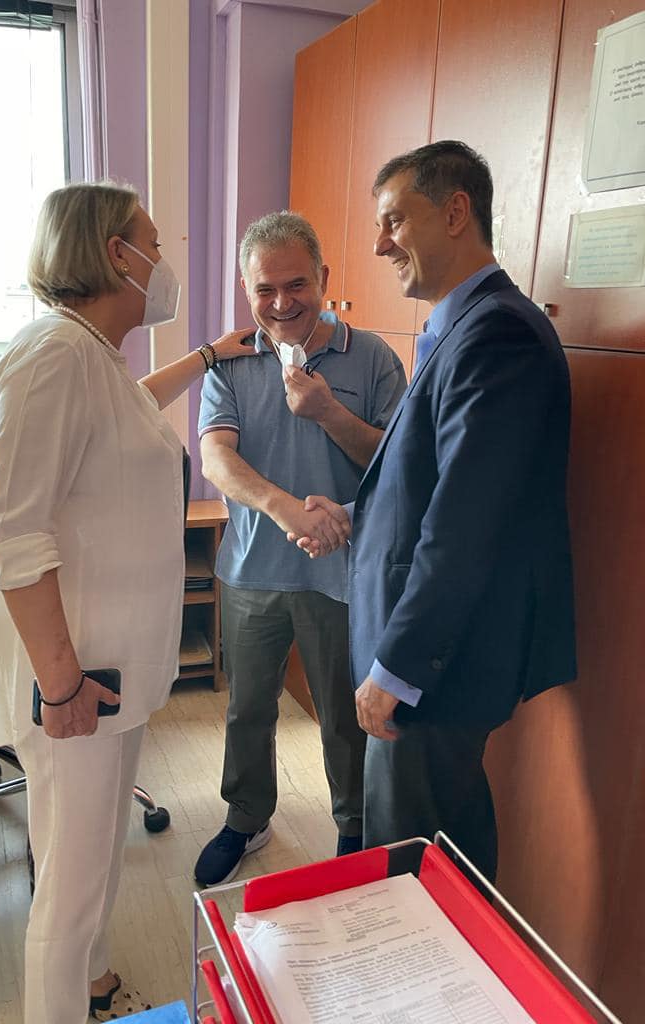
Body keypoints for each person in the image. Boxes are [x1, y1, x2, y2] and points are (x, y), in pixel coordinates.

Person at [0, 181, 255, 1024]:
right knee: (71, 884)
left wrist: (208, 357)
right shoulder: (52, 355)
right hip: (77, 681)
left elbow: (124, 411)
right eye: (151, 244)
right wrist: (61, 686)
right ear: (115, 254)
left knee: (95, 857)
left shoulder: (90, 355)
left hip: (111, 676)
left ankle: (93, 983)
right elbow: (14, 535)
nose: (162, 260)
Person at [291, 141, 577, 882]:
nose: (379, 244)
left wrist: (398, 668)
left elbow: (466, 527)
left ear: (455, 212)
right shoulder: (461, 325)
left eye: (394, 221)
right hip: (431, 653)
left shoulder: (497, 334)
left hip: (438, 663)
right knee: (438, 851)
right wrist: (357, 512)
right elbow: (434, 483)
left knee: (416, 866)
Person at [193, 211, 407, 886]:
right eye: (265, 289)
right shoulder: (231, 360)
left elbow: (400, 462)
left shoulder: (371, 357)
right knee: (247, 708)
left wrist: (329, 413)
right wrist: (286, 508)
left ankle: (353, 827)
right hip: (254, 569)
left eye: (296, 285)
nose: (281, 303)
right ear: (246, 289)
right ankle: (246, 816)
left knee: (344, 715)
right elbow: (217, 459)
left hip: (344, 575)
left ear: (323, 278)